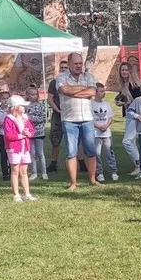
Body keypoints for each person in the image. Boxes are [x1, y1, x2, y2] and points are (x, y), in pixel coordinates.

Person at [55, 53, 100, 191]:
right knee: (71, 152)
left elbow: (92, 92)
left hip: (87, 118)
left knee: (91, 150)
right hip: (69, 120)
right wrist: (83, 89)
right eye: (76, 64)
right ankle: (73, 183)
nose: (79, 66)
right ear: (69, 64)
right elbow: (64, 90)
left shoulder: (89, 76)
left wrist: (73, 91)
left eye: (80, 63)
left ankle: (92, 179)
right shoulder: (61, 77)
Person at [2, 95, 38, 203]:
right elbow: (8, 136)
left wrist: (29, 133)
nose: (24, 108)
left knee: (24, 171)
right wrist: (21, 135)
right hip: (14, 148)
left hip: (24, 147)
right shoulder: (8, 119)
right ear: (16, 107)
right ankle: (16, 194)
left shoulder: (25, 119)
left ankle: (27, 194)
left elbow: (31, 131)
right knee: (15, 171)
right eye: (22, 106)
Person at [91, 82, 120, 182]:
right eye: (101, 91)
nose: (104, 93)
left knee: (109, 152)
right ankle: (99, 172)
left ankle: (113, 171)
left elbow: (110, 117)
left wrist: (106, 125)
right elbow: (90, 119)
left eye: (104, 91)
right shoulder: (91, 105)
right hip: (96, 133)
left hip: (106, 133)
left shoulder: (106, 104)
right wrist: (98, 126)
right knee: (97, 153)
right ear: (95, 93)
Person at [47, 60, 69, 174]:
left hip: (70, 114)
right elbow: (50, 99)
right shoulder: (54, 83)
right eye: (62, 67)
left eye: (65, 67)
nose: (63, 69)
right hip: (57, 115)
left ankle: (80, 162)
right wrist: (57, 110)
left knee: (74, 140)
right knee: (55, 140)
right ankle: (53, 163)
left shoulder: (72, 82)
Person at [26, 85, 49, 180]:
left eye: (36, 94)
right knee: (32, 153)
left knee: (40, 153)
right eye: (32, 94)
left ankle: (44, 172)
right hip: (29, 133)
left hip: (39, 132)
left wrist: (31, 118)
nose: (34, 96)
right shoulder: (26, 106)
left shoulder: (40, 105)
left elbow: (43, 118)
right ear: (27, 95)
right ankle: (34, 172)